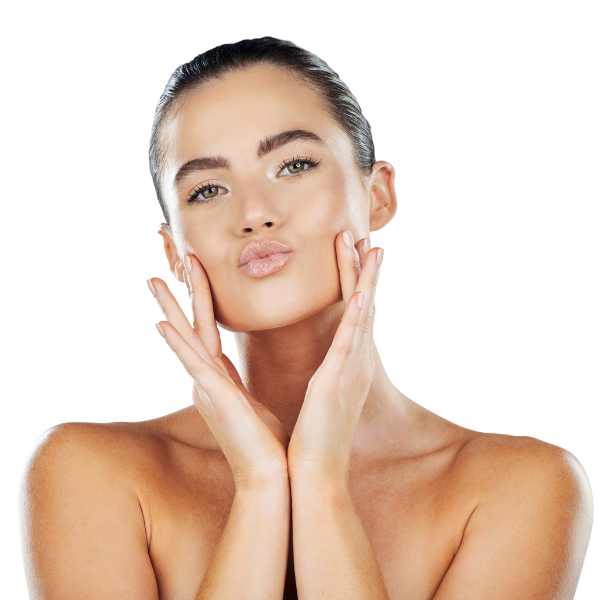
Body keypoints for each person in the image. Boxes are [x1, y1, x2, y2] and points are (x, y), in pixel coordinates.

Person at [21, 36, 592, 600]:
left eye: (293, 165)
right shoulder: (89, 473)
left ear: (378, 195)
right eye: (208, 189)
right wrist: (260, 486)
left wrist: (319, 481)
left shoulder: (520, 487)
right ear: (174, 251)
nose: (254, 213)